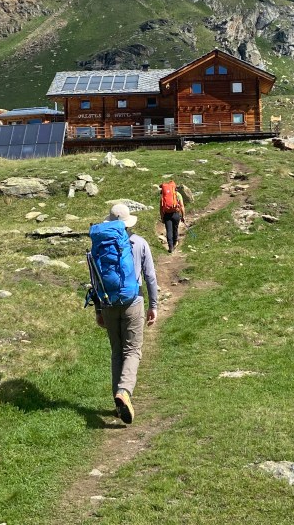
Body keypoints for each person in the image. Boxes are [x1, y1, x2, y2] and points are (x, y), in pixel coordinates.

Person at [93, 203, 158, 424]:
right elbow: (150, 277)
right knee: (132, 350)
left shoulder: (100, 247)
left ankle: (118, 403)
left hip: (109, 302)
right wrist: (154, 306)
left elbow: (95, 282)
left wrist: (98, 310)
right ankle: (124, 392)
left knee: (116, 352)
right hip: (133, 301)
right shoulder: (139, 242)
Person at [160, 181, 186, 253]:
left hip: (167, 215)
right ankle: (174, 243)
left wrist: (162, 217)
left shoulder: (164, 196)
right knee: (175, 229)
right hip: (176, 214)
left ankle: (170, 247)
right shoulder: (178, 195)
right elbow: (182, 206)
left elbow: (161, 208)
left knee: (169, 231)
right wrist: (183, 216)